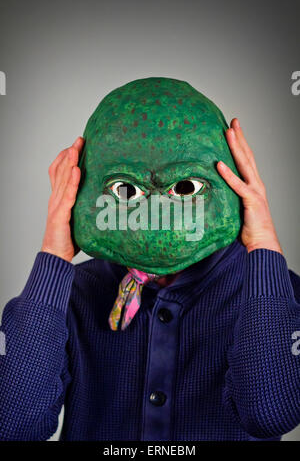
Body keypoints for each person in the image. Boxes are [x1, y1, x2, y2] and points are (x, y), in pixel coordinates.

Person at [0, 118, 299, 441]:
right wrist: (53, 255)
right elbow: (13, 424)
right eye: (125, 189)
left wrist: (263, 241)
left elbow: (270, 412)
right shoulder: (73, 291)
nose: (156, 213)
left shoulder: (272, 293)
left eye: (186, 188)